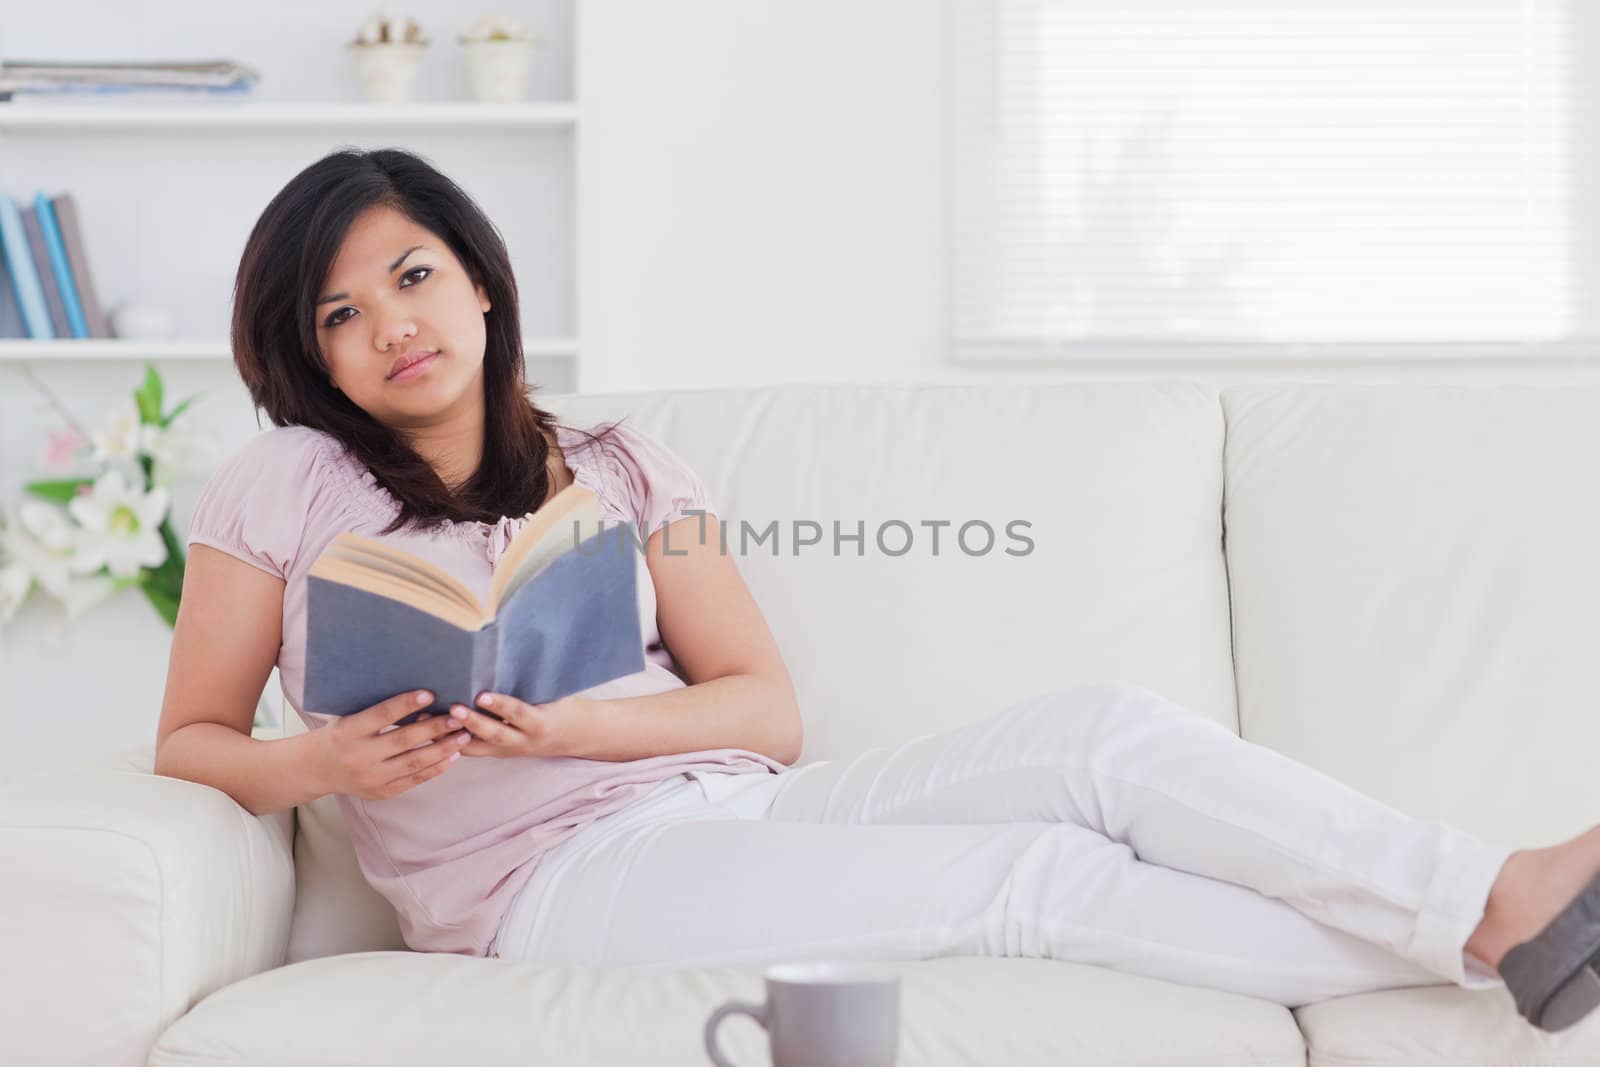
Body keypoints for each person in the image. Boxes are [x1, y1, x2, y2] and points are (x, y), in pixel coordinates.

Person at [154, 148, 1600, 1033]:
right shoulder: (277, 484)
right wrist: (323, 761)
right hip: (550, 889)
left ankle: (1491, 900)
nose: (390, 324)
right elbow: (192, 743)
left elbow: (766, 712)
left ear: (481, 281)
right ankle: (1490, 934)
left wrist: (580, 726)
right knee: (1037, 881)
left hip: (725, 800)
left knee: (1100, 736)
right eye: (340, 313)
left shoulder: (625, 466)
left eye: (412, 274)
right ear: (313, 356)